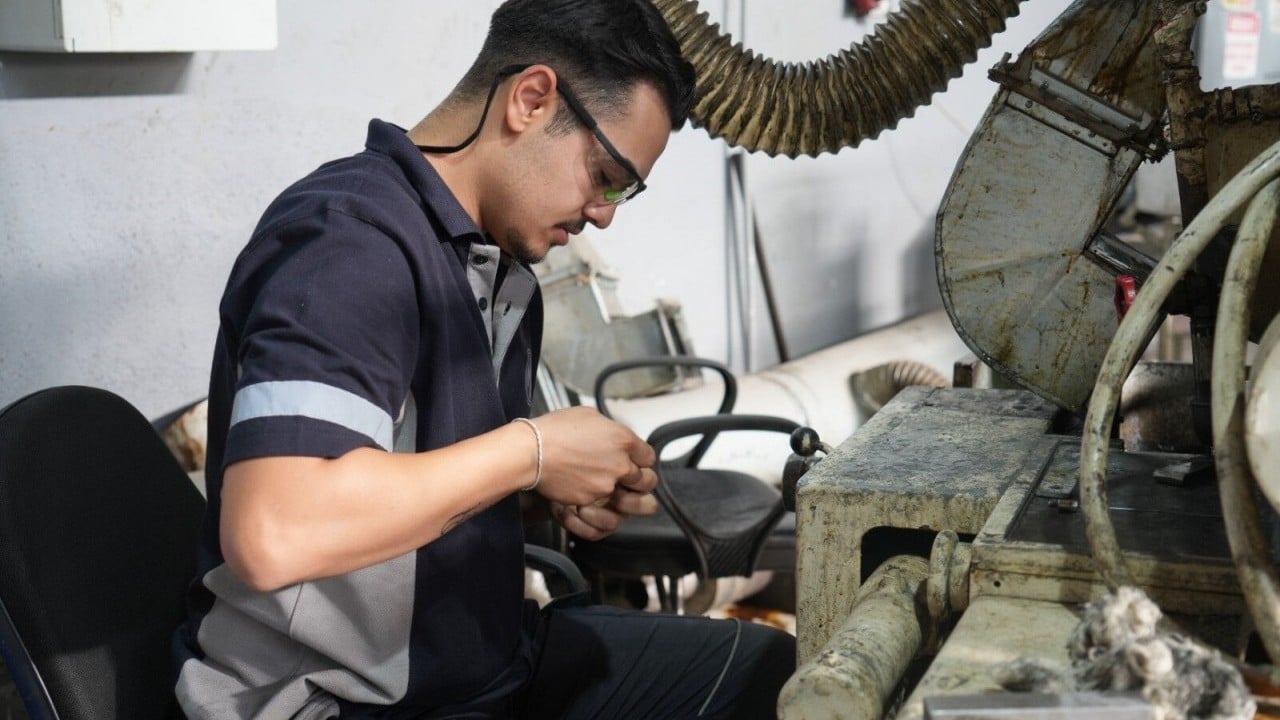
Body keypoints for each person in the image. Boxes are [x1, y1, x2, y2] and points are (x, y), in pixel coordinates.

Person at [172, 1, 797, 718]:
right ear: (531, 100)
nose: (606, 213)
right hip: (338, 699)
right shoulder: (348, 244)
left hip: (484, 665)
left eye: (626, 190)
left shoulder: (495, 268)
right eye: (607, 173)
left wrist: (543, 491)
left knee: (769, 675)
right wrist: (530, 451)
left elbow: (414, 486)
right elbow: (273, 530)